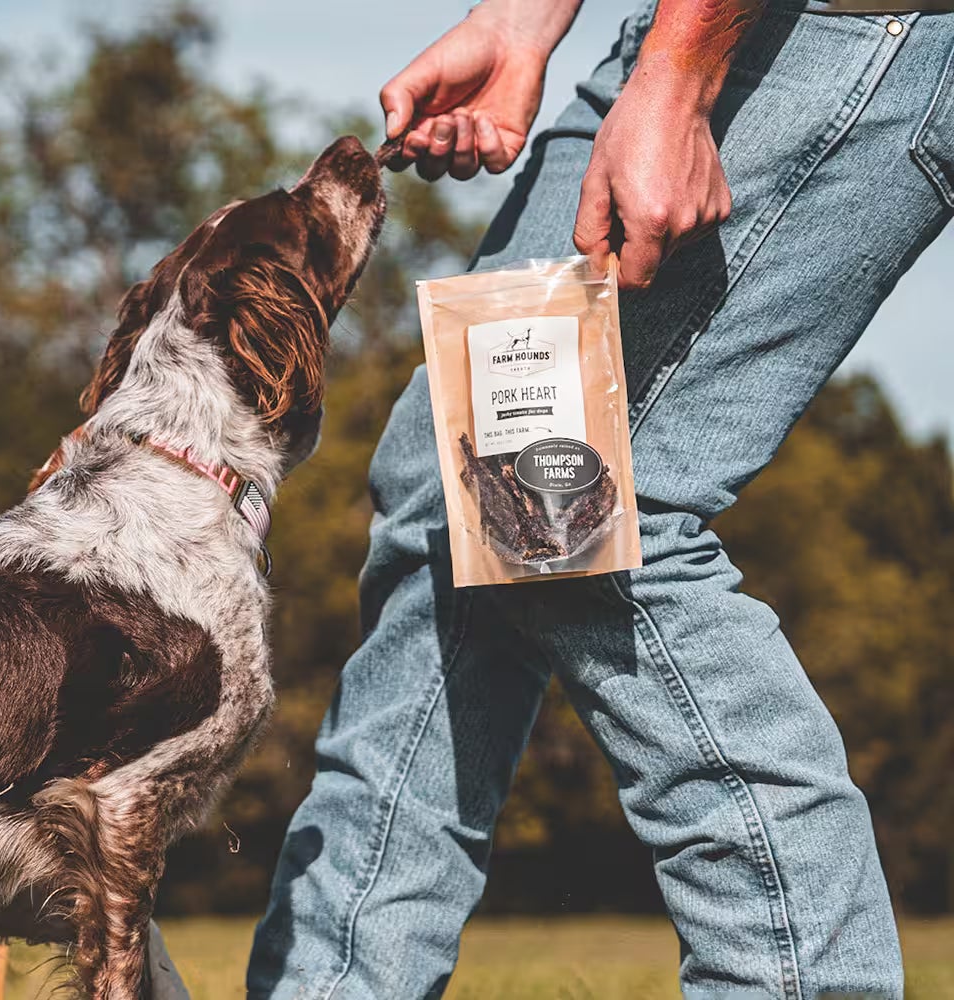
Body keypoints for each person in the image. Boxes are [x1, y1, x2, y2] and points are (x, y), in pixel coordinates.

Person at [247, 0, 950, 997]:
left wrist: (676, 80)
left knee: (559, 505)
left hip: (840, 30)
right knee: (450, 483)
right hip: (700, 34)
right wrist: (519, 23)